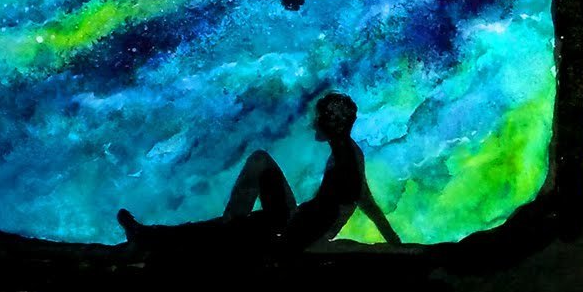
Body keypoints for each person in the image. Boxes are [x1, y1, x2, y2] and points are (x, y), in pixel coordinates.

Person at [117, 92, 401, 252]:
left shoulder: (346, 164)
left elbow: (324, 220)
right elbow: (365, 201)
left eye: (319, 118)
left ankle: (149, 237)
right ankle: (158, 234)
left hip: (292, 230)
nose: (313, 123)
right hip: (295, 223)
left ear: (332, 123)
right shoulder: (349, 153)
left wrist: (282, 243)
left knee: (221, 229)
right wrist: (396, 244)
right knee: (259, 162)